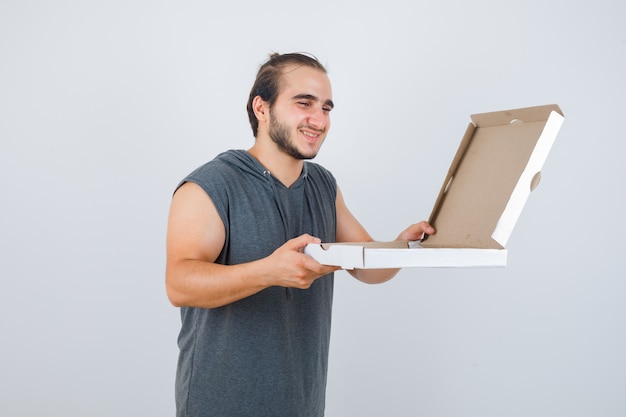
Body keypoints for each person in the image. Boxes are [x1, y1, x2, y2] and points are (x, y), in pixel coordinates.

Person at [165, 52, 435, 417]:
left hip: (302, 405)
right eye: (303, 103)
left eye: (326, 108)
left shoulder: (324, 185)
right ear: (262, 108)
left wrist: (403, 245)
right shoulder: (211, 185)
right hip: (221, 404)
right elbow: (179, 285)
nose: (319, 119)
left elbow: (368, 267)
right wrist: (269, 271)